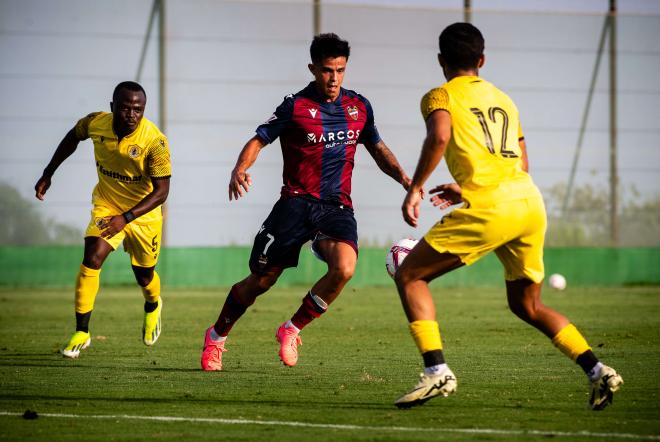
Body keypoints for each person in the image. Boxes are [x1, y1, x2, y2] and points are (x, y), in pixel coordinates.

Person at [393, 23, 623, 410]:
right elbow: (520, 163)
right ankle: (598, 369)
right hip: (528, 204)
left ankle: (436, 372)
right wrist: (466, 189)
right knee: (527, 306)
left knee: (410, 275)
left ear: (440, 61)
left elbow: (440, 137)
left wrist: (416, 187)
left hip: (492, 206)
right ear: (481, 60)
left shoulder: (439, 95)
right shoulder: (504, 100)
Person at [201, 33, 411, 371]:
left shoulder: (359, 107)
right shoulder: (295, 106)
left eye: (340, 70)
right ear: (313, 68)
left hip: (336, 206)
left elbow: (377, 148)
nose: (333, 78)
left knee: (344, 268)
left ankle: (291, 328)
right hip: (295, 204)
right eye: (327, 70)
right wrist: (240, 168)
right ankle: (217, 337)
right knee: (261, 281)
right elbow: (259, 139)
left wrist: (405, 179)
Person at [35, 81, 171, 358]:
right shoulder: (96, 123)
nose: (131, 114)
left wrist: (128, 217)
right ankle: (82, 332)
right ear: (112, 108)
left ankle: (153, 305)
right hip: (108, 205)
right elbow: (73, 136)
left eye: (138, 109)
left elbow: (162, 192)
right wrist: (49, 172)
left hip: (143, 214)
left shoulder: (154, 143)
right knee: (92, 257)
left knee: (144, 276)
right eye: (125, 108)